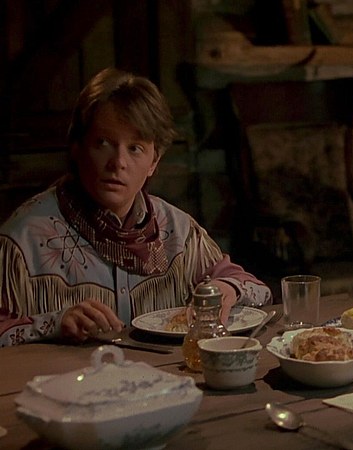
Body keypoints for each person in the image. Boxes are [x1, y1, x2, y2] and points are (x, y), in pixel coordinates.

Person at [0, 68, 272, 346]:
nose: (118, 163)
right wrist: (54, 323)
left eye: (135, 148)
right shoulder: (23, 239)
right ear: (77, 147)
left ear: (154, 161)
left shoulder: (178, 231)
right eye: (103, 143)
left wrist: (226, 288)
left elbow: (257, 290)